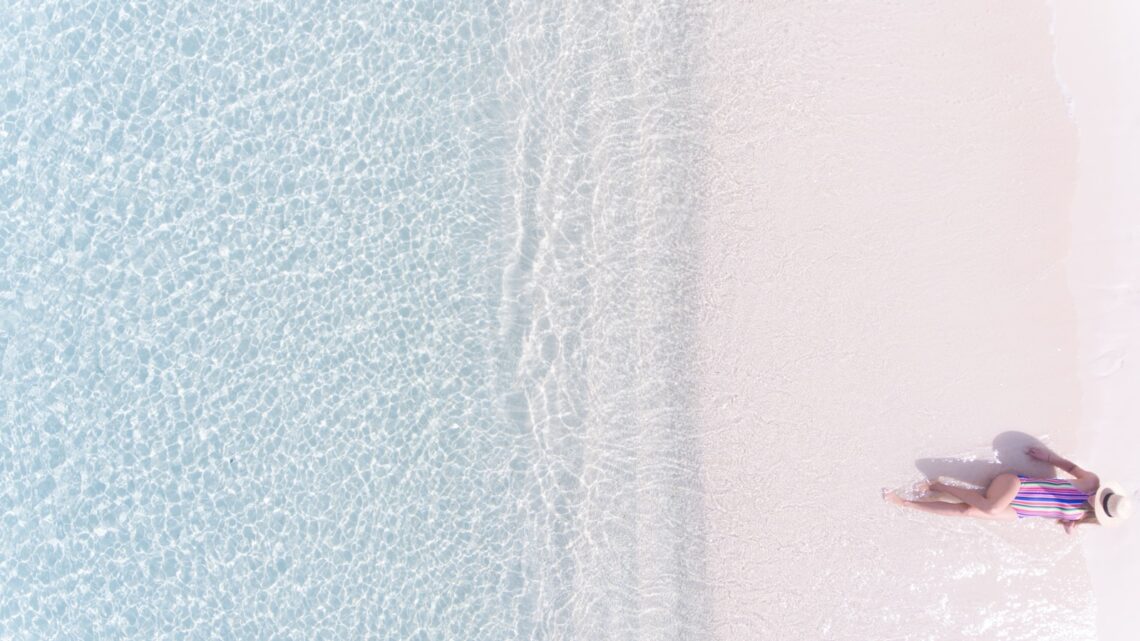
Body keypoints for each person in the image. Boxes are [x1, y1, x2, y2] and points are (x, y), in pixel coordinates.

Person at [883, 446, 1133, 533]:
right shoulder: (1090, 482)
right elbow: (1068, 466)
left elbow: (1066, 517)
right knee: (991, 507)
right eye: (1100, 498)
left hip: (1019, 510)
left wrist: (1069, 524)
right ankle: (938, 485)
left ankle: (905, 503)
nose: (1093, 499)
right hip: (1016, 484)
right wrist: (1046, 456)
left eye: (1098, 506)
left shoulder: (1082, 517)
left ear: (1100, 515)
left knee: (967, 512)